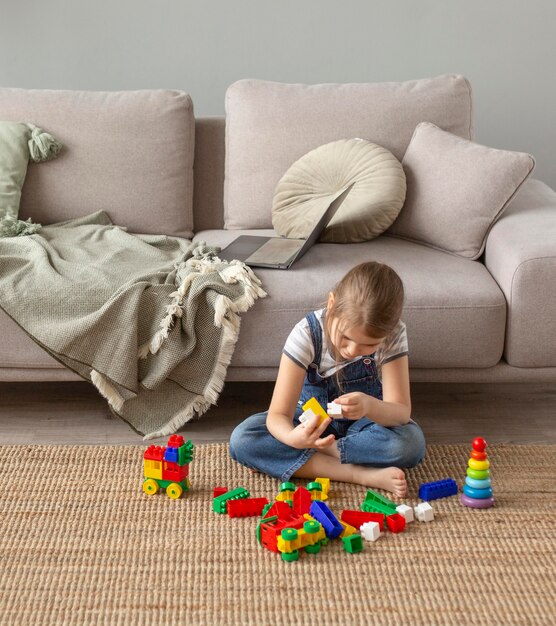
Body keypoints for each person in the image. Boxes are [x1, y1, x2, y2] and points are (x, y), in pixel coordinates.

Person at [229, 261, 426, 498]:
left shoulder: (393, 334)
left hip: (362, 429)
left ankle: (322, 455)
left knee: (409, 444)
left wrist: (368, 406)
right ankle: (358, 473)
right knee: (244, 439)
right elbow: (278, 415)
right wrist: (294, 437)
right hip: (309, 424)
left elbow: (400, 412)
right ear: (332, 304)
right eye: (345, 337)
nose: (352, 350)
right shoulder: (307, 333)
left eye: (369, 345)